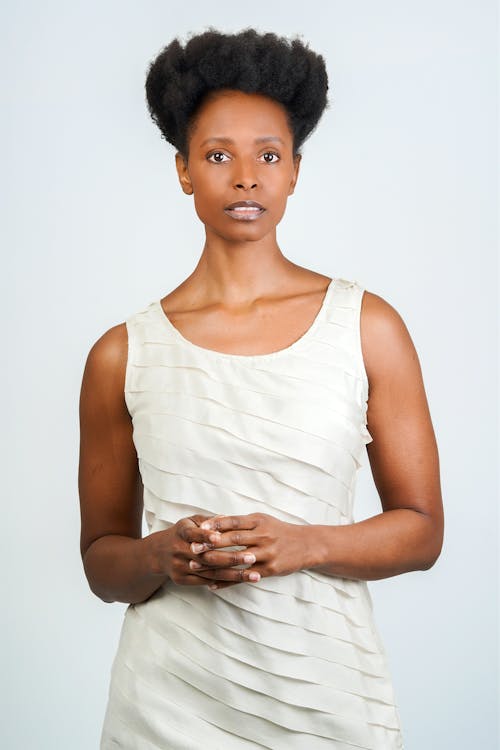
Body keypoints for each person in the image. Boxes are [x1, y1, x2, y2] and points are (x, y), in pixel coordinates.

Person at [78, 27, 444, 749]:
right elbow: (101, 559)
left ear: (295, 171)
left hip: (326, 696)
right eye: (218, 155)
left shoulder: (367, 327)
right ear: (183, 170)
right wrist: (159, 557)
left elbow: (423, 530)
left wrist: (303, 544)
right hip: (166, 705)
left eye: (268, 156)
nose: (246, 177)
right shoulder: (122, 354)